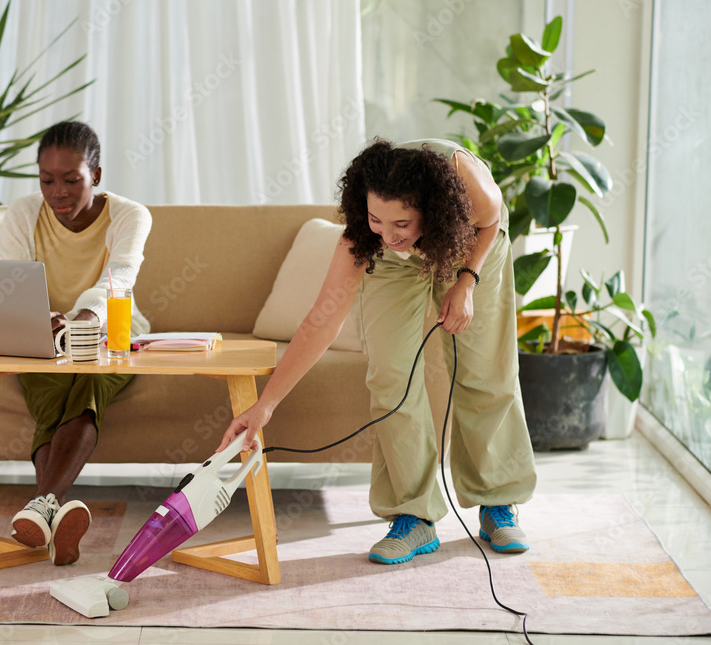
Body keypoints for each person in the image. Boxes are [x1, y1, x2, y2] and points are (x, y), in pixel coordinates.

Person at [219, 138, 537, 564]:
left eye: (401, 224)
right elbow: (320, 322)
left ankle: (498, 499)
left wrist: (466, 282)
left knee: (483, 371)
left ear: (429, 209)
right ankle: (413, 515)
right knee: (391, 375)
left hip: (471, 242)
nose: (388, 234)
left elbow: (491, 220)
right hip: (396, 270)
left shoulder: (467, 184)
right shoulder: (370, 240)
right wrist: (266, 405)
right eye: (376, 220)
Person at [0, 120, 151, 566]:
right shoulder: (23, 214)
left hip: (113, 329)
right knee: (51, 393)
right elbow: (10, 281)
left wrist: (82, 321)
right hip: (40, 333)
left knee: (87, 386)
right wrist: (41, 319)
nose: (58, 192)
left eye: (71, 180)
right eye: (47, 180)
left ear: (96, 176)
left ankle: (39, 506)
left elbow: (119, 277)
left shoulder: (129, 215)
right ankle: (53, 513)